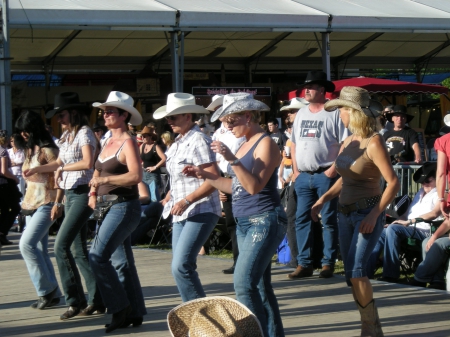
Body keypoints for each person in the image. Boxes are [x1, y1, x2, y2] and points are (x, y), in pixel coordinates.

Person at [184, 92, 286, 337]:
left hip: (263, 219)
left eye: (231, 121)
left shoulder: (266, 142)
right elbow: (236, 187)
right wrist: (205, 175)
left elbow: (253, 186)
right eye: (224, 122)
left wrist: (231, 158)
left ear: (248, 116)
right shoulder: (244, 142)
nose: (227, 127)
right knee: (260, 287)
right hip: (244, 221)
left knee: (243, 284)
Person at [311, 86, 399, 337]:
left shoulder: (374, 142)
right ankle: (370, 326)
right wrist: (323, 199)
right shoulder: (349, 141)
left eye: (342, 109)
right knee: (351, 274)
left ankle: (370, 328)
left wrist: (374, 215)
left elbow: (393, 182)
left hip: (366, 213)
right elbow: (344, 179)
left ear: (354, 112)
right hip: (344, 213)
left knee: (358, 270)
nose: (339, 113)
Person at [27, 92, 103, 320]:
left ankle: (75, 301)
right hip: (71, 194)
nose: (58, 119)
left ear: (74, 113)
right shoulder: (67, 135)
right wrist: (37, 170)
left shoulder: (84, 133)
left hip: (82, 193)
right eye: (58, 115)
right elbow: (59, 163)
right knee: (77, 250)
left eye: (62, 114)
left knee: (61, 246)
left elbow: (87, 162)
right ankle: (96, 299)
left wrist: (62, 169)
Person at [154, 93, 221, 303]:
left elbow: (214, 179)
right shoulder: (177, 143)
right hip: (181, 210)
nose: (169, 121)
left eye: (173, 117)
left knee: (180, 265)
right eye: (168, 117)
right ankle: (196, 313)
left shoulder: (199, 140)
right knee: (182, 266)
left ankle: (199, 315)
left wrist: (187, 200)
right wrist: (171, 196)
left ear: (188, 116)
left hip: (200, 208)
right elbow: (178, 178)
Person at [88, 91, 147, 333]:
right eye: (104, 111)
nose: (105, 114)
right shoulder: (105, 142)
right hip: (107, 205)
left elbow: (136, 176)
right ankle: (134, 311)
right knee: (122, 263)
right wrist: (92, 194)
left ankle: (119, 307)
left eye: (111, 110)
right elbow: (96, 172)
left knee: (97, 257)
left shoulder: (128, 142)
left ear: (124, 115)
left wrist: (106, 179)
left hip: (123, 205)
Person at [289, 70, 349, 279]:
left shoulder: (334, 113)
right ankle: (304, 263)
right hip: (304, 175)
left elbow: (345, 143)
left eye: (311, 87)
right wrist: (296, 171)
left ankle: (327, 263)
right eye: (306, 87)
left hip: (326, 173)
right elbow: (294, 144)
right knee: (302, 218)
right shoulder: (301, 114)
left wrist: (333, 169)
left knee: (328, 219)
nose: (306, 90)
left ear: (322, 90)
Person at [15, 111, 64, 309]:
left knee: (26, 245)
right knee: (41, 250)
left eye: (26, 130)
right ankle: (53, 293)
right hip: (29, 204)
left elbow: (60, 175)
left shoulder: (48, 150)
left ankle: (46, 290)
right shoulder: (30, 150)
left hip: (47, 202)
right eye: (21, 131)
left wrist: (58, 204)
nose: (24, 134)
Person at [366, 162, 442, 282]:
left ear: (437, 179)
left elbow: (434, 213)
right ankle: (365, 272)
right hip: (411, 227)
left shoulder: (439, 193)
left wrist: (409, 222)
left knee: (392, 230)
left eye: (427, 181)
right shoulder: (420, 192)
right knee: (384, 230)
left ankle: (390, 275)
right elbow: (406, 213)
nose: (424, 184)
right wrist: (397, 221)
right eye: (422, 182)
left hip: (426, 230)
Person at [210, 94, 245, 274]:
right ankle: (237, 259)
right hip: (224, 177)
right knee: (231, 223)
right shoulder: (218, 132)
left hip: (240, 176)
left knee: (243, 222)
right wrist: (218, 187)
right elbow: (215, 160)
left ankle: (244, 261)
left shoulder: (242, 131)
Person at [279, 98, 309, 267]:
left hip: (306, 175)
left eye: (293, 111)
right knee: (291, 216)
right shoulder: (292, 132)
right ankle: (296, 258)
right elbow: (289, 156)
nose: (289, 115)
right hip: (295, 177)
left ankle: (306, 258)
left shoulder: (304, 129)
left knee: (306, 217)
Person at [0, 129, 21, 245]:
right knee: (15, 208)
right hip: (3, 182)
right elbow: (4, 171)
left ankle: (2, 233)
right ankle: (2, 232)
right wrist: (14, 178)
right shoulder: (2, 151)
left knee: (3, 208)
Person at [140, 125, 166, 202]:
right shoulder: (142, 146)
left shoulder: (155, 146)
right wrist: (141, 165)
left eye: (145, 136)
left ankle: (157, 212)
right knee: (145, 196)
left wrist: (155, 167)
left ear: (150, 137)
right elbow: (139, 157)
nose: (143, 138)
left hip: (153, 175)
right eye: (142, 136)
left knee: (154, 198)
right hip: (144, 174)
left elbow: (164, 158)